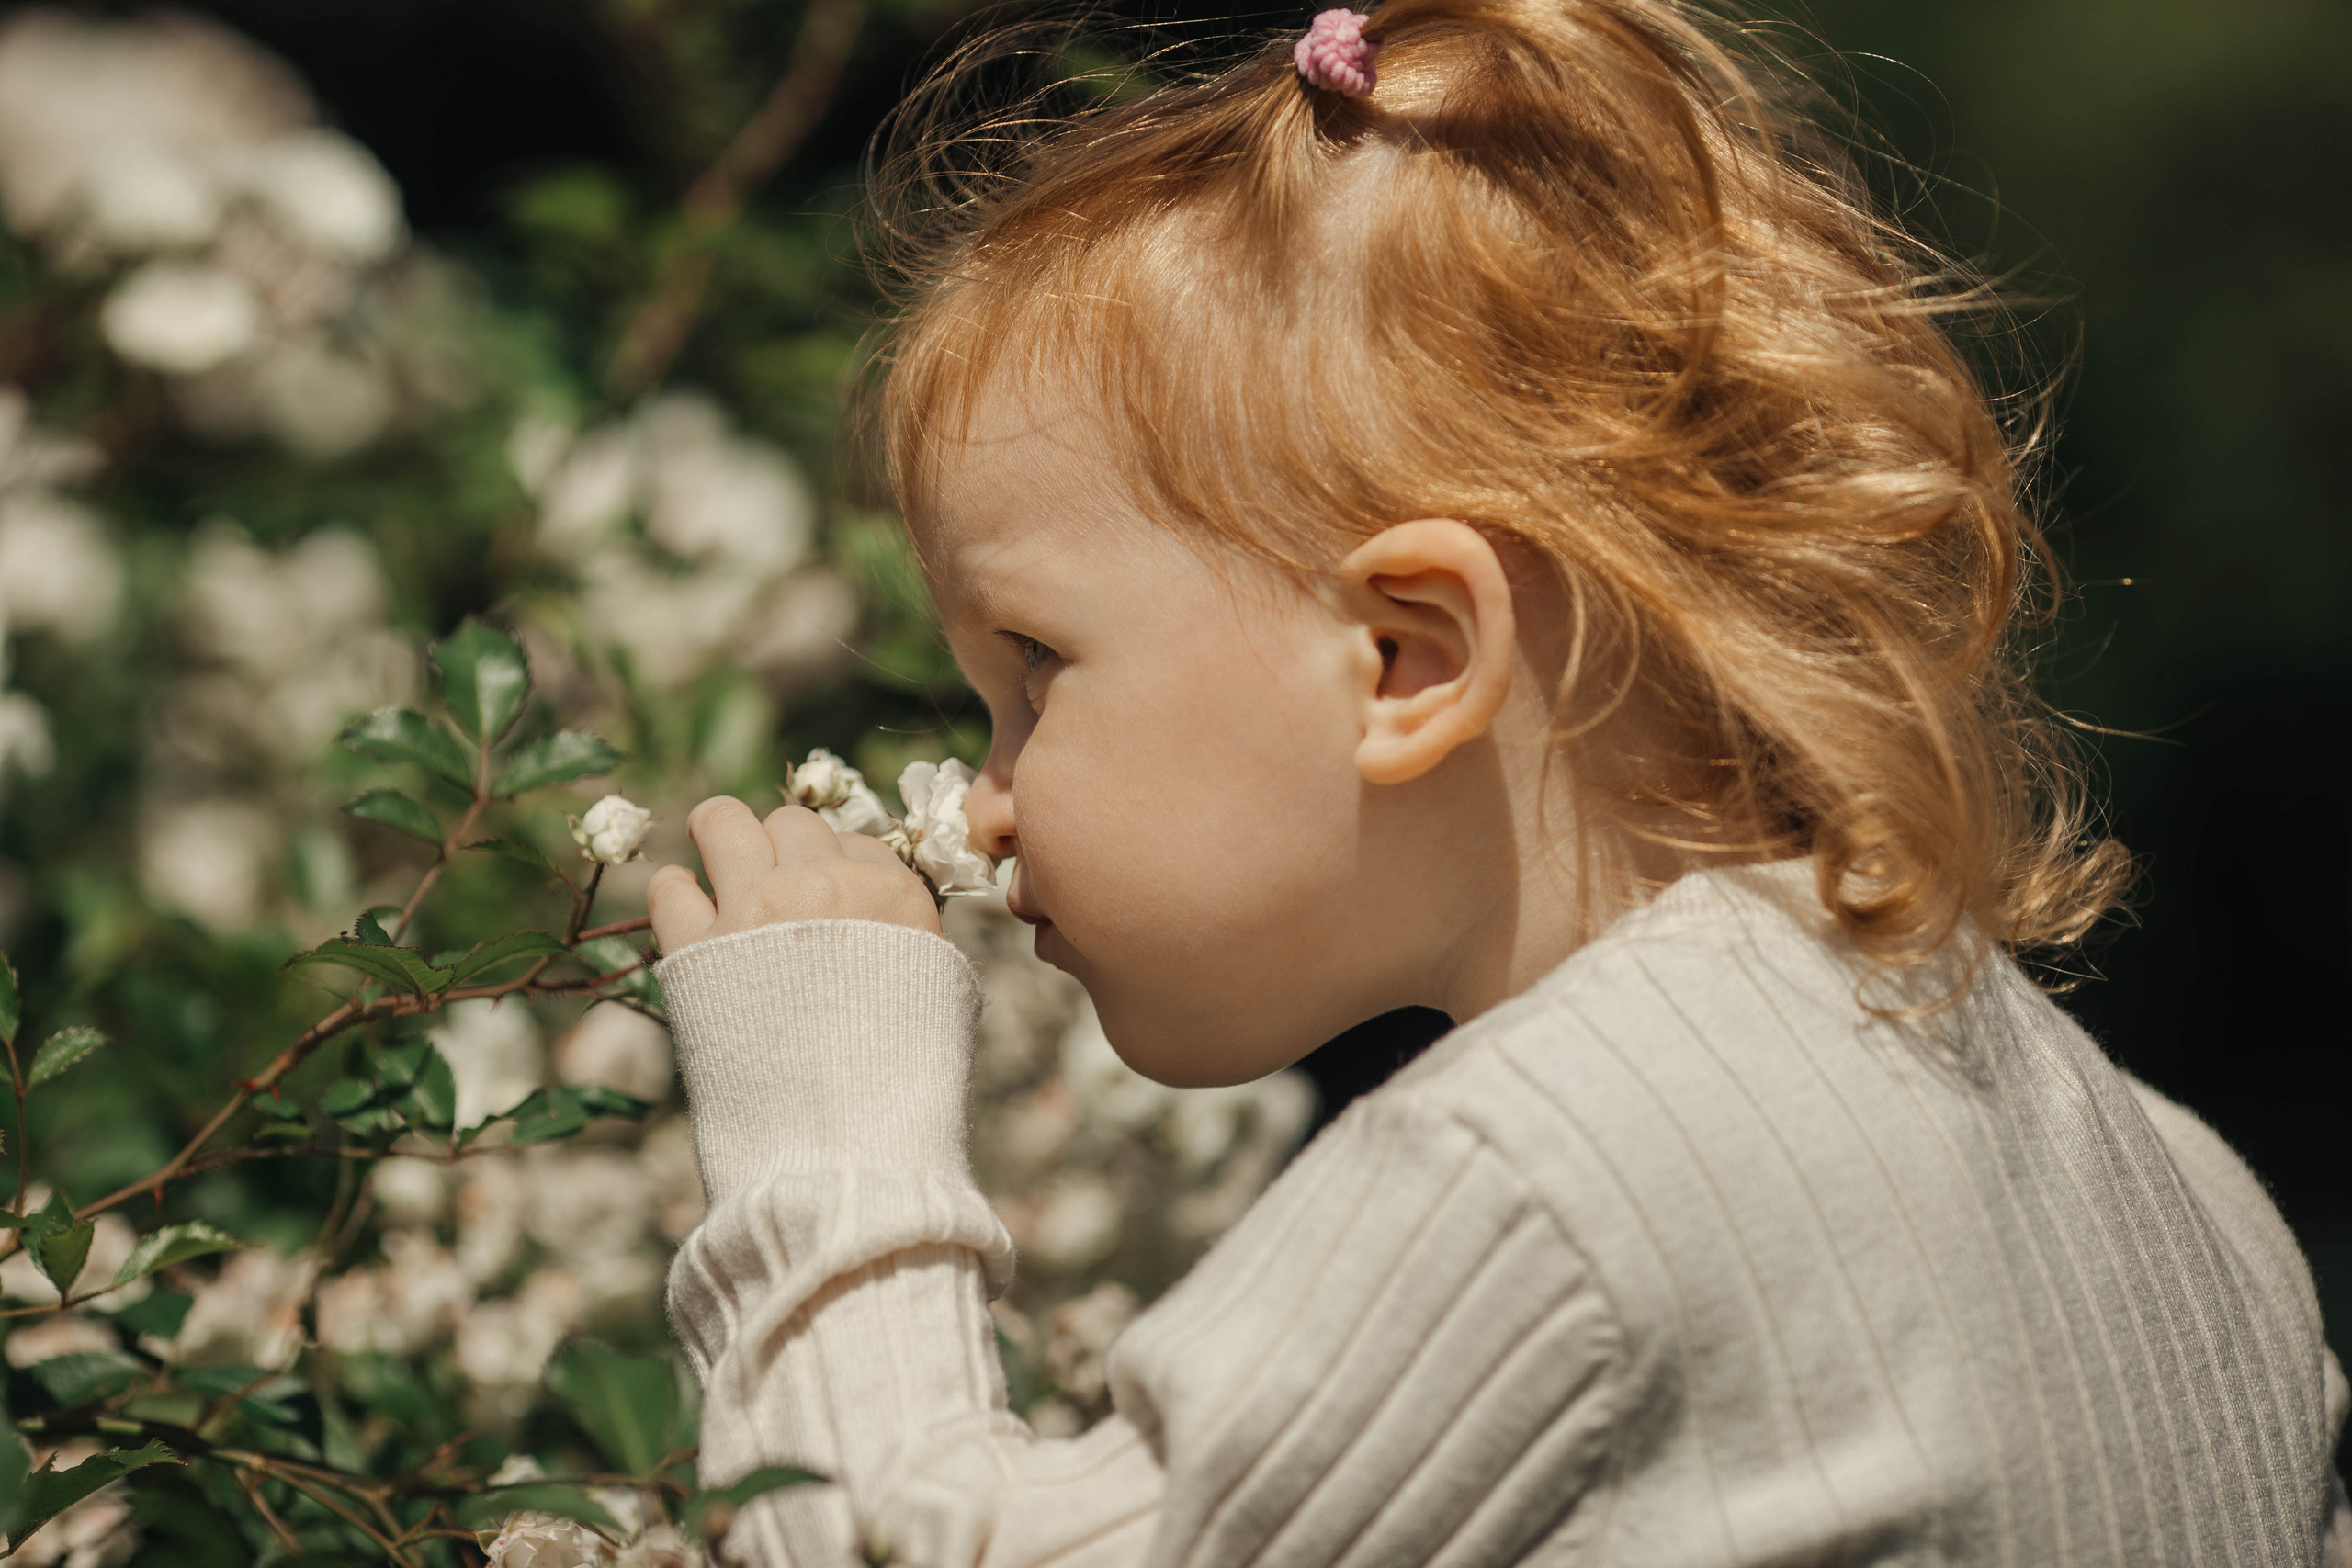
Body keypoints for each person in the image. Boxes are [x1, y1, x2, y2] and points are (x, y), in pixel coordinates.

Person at [644, 0, 2351, 1561]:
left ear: (1409, 658)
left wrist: (824, 1128)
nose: (991, 794)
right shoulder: (2192, 1201)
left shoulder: (1547, 1181)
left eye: (1034, 673)